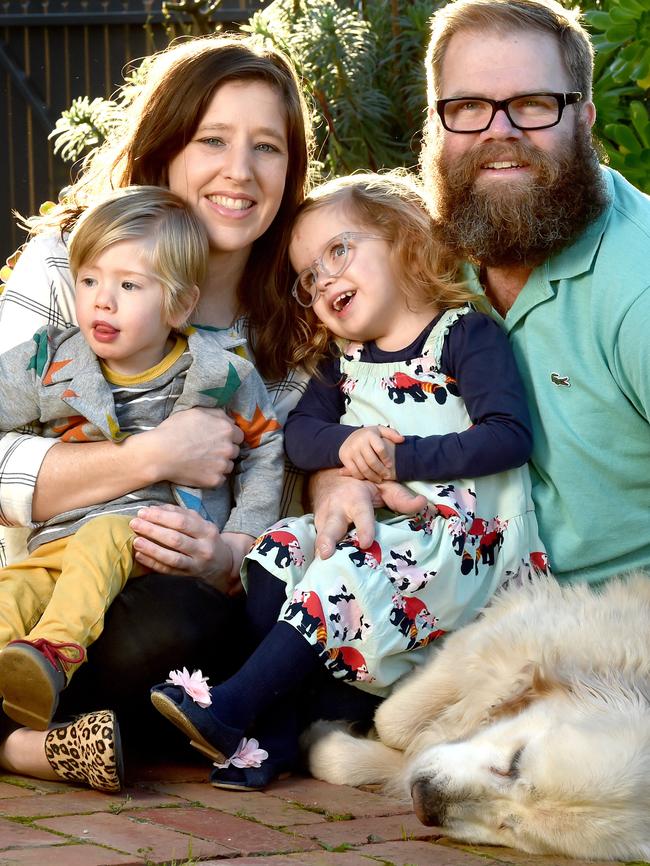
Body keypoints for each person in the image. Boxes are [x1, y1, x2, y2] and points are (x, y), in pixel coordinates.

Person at [149, 172, 547, 791]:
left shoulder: (464, 334)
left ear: (403, 239)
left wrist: (397, 459)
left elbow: (508, 435)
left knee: (341, 570)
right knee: (276, 551)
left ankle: (232, 706)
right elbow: (302, 436)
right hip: (385, 530)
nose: (323, 278)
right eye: (308, 276)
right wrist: (346, 444)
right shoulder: (342, 361)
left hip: (467, 540)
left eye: (339, 251)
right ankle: (272, 736)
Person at [0, 34, 314, 788]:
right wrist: (152, 457)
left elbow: (302, 503)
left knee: (176, 634)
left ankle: (25, 737)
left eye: (266, 147)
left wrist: (230, 557)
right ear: (166, 147)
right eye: (213, 139)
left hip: (164, 607)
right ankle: (24, 745)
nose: (239, 171)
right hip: (42, 572)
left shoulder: (298, 325)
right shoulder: (68, 266)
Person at [313, 0, 650, 587]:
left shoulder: (638, 286)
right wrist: (335, 476)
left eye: (534, 104)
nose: (500, 130)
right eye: (468, 106)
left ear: (585, 117)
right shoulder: (418, 257)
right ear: (437, 123)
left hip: (605, 625)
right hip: (427, 593)